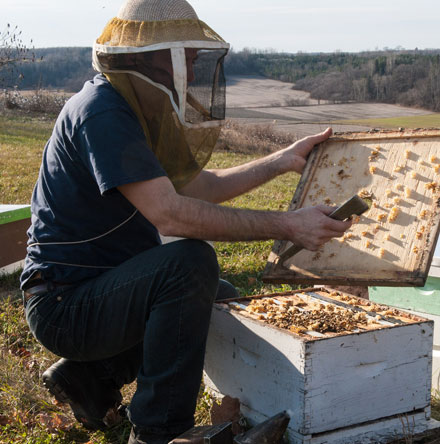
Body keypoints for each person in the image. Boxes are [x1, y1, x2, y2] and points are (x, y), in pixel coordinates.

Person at [19, 1, 351, 443]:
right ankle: (159, 431)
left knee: (219, 297)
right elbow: (171, 214)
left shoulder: (135, 107)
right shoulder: (104, 111)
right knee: (189, 265)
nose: (192, 75)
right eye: (188, 60)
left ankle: (90, 377)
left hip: (96, 289)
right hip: (65, 305)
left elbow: (197, 187)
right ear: (155, 54)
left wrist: (281, 160)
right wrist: (287, 224)